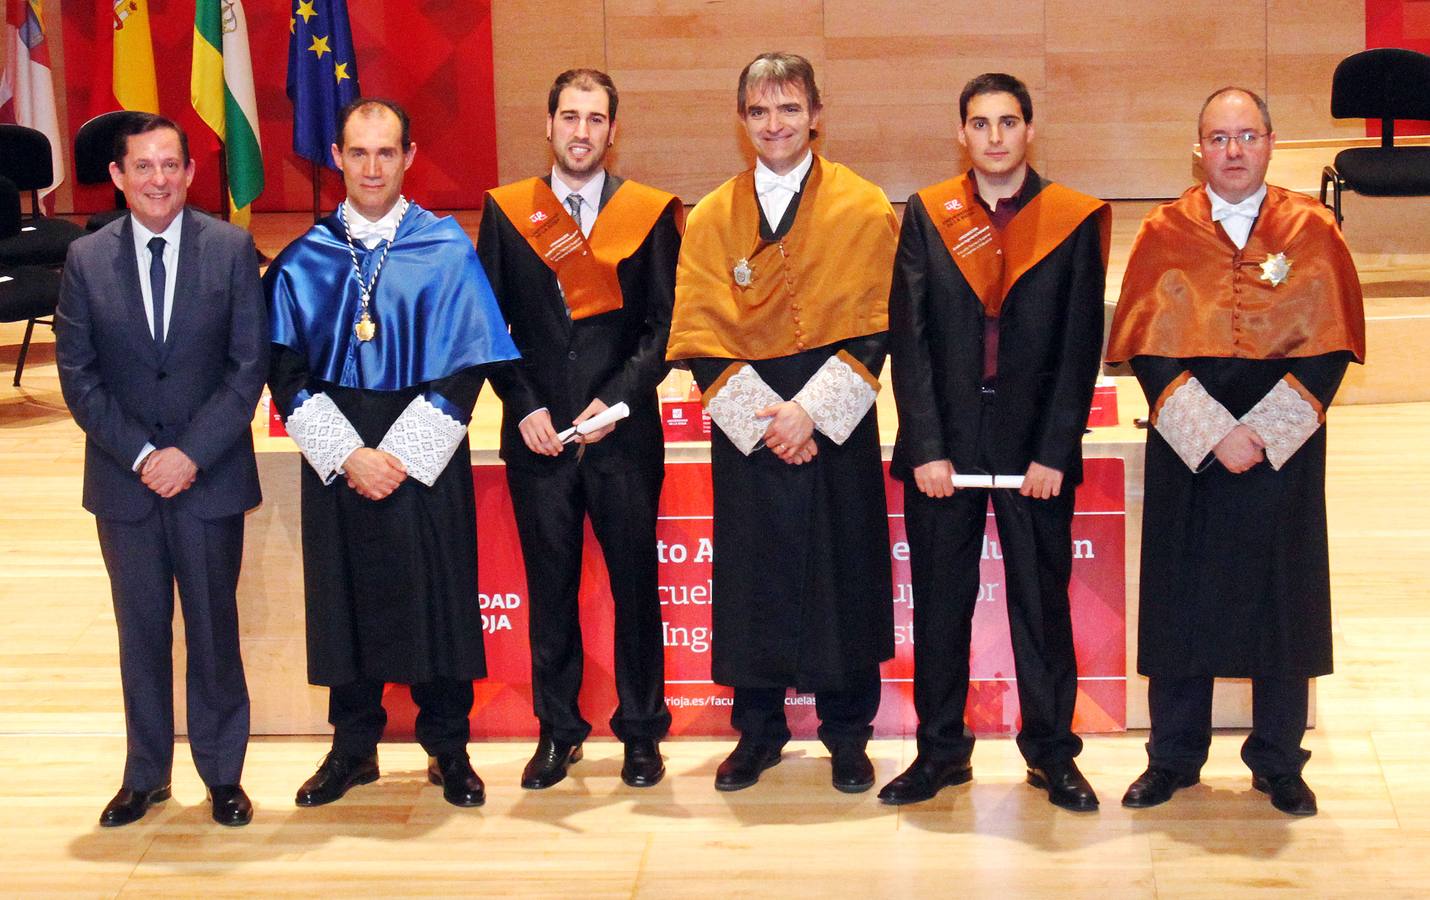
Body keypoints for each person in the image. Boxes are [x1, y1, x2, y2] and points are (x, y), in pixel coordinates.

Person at [1107, 87, 1365, 817]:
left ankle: (1279, 762)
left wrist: (1261, 433)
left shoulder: (1312, 229)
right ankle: (1174, 758)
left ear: (1271, 143)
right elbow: (1147, 349)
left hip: (1281, 447)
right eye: (1218, 138)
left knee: (1281, 604)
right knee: (1181, 603)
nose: (1232, 152)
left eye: (1246, 137)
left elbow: (1333, 346)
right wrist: (1213, 431)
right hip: (1191, 447)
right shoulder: (1164, 231)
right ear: (1199, 148)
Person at [265, 98, 518, 809]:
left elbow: (467, 366)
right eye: (358, 153)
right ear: (338, 158)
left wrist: (400, 454)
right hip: (340, 455)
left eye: (386, 153)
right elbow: (285, 372)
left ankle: (449, 748)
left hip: (423, 450)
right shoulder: (303, 259)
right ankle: (353, 750)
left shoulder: (444, 247)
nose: (372, 167)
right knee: (345, 599)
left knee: (437, 598)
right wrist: (350, 455)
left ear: (408, 158)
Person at [667, 52, 899, 793]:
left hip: (834, 419)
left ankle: (847, 735)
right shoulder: (710, 217)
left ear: (816, 114)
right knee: (752, 579)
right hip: (750, 423)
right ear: (743, 121)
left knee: (845, 575)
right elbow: (700, 341)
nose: (776, 124)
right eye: (761, 111)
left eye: (790, 108)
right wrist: (769, 421)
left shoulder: (862, 207)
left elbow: (876, 331)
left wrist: (811, 415)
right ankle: (757, 733)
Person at [880, 73, 1110, 811]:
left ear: (1030, 130)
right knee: (940, 606)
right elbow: (907, 339)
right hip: (946, 440)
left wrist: (1053, 449)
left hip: (1032, 445)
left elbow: (1081, 347)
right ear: (963, 135)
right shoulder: (928, 213)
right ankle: (941, 752)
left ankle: (1052, 755)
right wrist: (926, 446)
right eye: (980, 124)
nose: (995, 137)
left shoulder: (1069, 218)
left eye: (1008, 122)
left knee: (1042, 607)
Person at [56, 114, 266, 827]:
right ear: (117, 177)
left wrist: (190, 455)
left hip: (209, 479)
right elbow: (79, 379)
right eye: (142, 167)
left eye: (170, 165)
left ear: (190, 172)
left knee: (213, 630)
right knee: (139, 631)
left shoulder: (232, 250)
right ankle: (145, 775)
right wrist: (146, 457)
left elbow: (247, 370)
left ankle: (222, 775)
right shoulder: (85, 260)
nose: (158, 180)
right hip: (126, 483)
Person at [477, 69, 681, 790]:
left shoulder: (651, 212)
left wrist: (618, 401)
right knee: (551, 592)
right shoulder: (507, 212)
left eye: (596, 119)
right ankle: (559, 731)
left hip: (622, 438)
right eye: (570, 116)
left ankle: (641, 733)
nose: (582, 131)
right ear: (549, 124)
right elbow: (488, 325)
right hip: (537, 439)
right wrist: (524, 404)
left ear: (613, 130)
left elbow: (663, 328)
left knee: (636, 589)